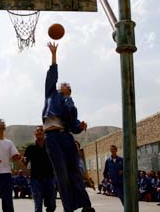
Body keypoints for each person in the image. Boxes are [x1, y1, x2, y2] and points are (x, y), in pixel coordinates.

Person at [42, 42, 94, 212]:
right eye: (64, 84)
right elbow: (53, 75)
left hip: (66, 136)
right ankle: (69, 208)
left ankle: (86, 206)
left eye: (68, 85)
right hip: (52, 137)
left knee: (75, 173)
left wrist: (81, 126)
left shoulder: (70, 103)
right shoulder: (51, 93)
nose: (66, 85)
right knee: (62, 175)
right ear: (59, 87)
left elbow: (73, 125)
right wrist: (54, 56)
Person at [23, 125, 56, 212]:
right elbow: (25, 163)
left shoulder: (50, 146)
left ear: (44, 133)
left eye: (41, 130)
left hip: (50, 178)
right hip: (36, 179)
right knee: (38, 203)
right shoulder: (30, 148)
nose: (39, 132)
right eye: (37, 130)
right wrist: (22, 160)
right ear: (35, 134)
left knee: (52, 204)